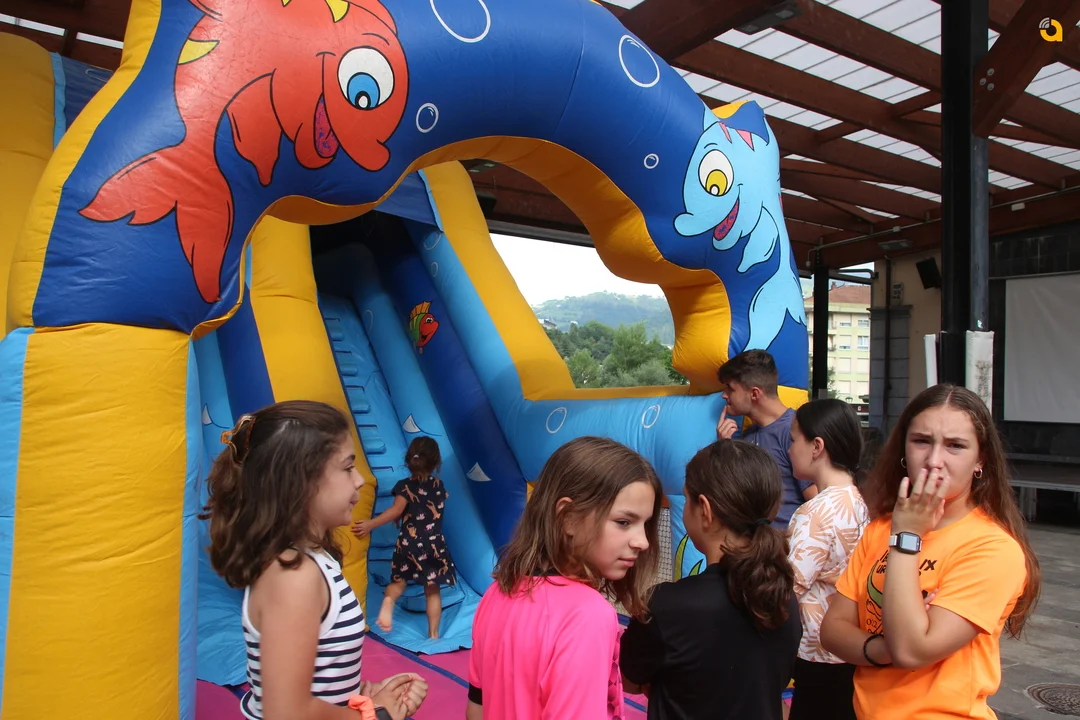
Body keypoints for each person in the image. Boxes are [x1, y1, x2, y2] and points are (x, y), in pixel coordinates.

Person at [820, 384, 1042, 720]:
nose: (934, 461)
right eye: (922, 441)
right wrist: (887, 646)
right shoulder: (882, 529)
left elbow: (912, 651)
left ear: (980, 459)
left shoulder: (993, 549)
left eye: (955, 446)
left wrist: (907, 537)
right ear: (904, 448)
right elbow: (833, 630)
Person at [201, 400, 428, 720]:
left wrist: (365, 697)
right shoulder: (293, 577)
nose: (360, 480)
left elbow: (315, 685)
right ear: (300, 483)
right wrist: (376, 715)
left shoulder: (312, 560)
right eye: (347, 468)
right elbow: (286, 712)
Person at [466, 436, 664, 720]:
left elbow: (476, 708)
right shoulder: (588, 615)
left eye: (645, 524)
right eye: (624, 522)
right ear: (568, 517)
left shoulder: (495, 594)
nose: (642, 542)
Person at [620, 439, 802, 720]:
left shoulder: (666, 606)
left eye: (686, 500)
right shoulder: (784, 600)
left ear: (704, 510)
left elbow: (629, 679)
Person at [785, 399, 870, 720]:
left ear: (817, 446)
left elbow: (788, 590)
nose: (790, 449)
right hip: (852, 643)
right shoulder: (859, 501)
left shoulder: (815, 513)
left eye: (794, 440)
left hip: (817, 651)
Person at [351, 436, 456, 639]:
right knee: (432, 589)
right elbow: (426, 508)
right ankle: (433, 635)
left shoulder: (405, 486)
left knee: (399, 581)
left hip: (409, 543)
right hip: (433, 544)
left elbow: (396, 510)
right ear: (436, 462)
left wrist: (371, 524)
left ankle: (388, 601)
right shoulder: (439, 486)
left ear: (409, 460)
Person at [716, 349, 816, 529]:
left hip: (787, 543)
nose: (724, 395)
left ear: (754, 394)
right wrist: (724, 449)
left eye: (730, 388)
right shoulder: (748, 436)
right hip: (756, 543)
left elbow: (817, 502)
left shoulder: (795, 431)